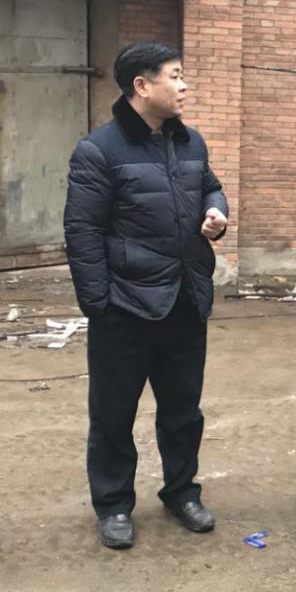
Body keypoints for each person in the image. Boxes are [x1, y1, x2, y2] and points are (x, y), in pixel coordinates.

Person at [64, 41, 229, 549]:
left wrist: (217, 213)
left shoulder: (190, 142)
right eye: (175, 76)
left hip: (185, 301)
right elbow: (82, 233)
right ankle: (114, 504)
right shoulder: (99, 150)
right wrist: (100, 305)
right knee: (113, 416)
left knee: (184, 411)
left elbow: (211, 186)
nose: (184, 85)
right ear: (142, 85)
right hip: (126, 310)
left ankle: (182, 492)